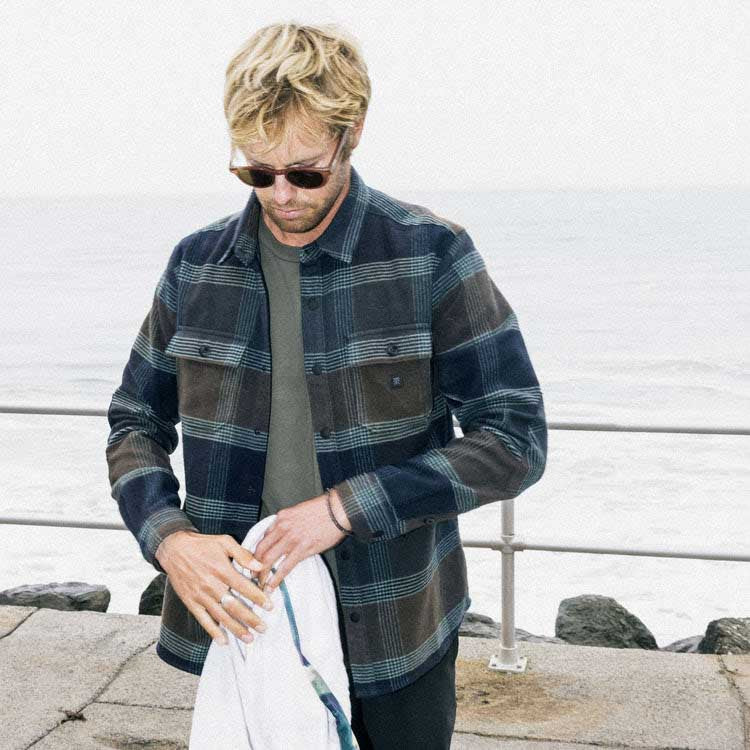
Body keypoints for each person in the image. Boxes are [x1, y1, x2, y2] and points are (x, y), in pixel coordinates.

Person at [105, 21, 548, 749]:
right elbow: (133, 423)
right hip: (246, 627)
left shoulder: (432, 254)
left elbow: (516, 439)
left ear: (353, 134)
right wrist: (171, 539)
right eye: (257, 172)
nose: (281, 194)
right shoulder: (195, 266)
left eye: (305, 172)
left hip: (396, 630)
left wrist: (345, 509)